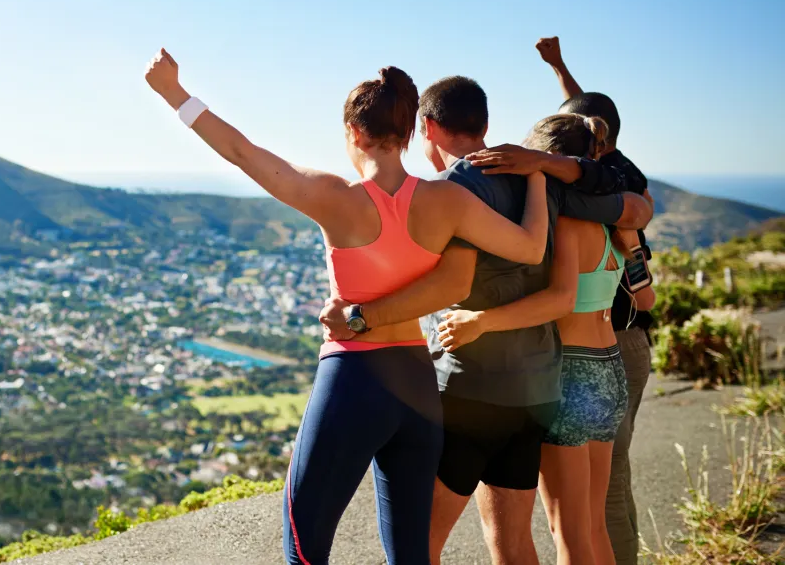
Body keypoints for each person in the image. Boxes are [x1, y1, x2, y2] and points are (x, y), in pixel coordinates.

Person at [143, 49, 550, 565]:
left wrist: (174, 93)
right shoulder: (449, 202)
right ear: (407, 135)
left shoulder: (335, 198)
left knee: (304, 546)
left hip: (354, 380)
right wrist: (537, 173)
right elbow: (532, 248)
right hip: (419, 386)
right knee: (412, 557)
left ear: (354, 134)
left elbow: (242, 153)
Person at [319, 76, 653, 565]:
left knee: (418, 544)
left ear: (426, 127)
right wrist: (543, 167)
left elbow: (452, 284)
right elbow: (631, 206)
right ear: (487, 125)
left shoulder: (450, 192)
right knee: (527, 541)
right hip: (539, 388)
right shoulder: (541, 183)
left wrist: (362, 316)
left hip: (473, 390)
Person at [464, 36, 656, 565]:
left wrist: (481, 321)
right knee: (590, 523)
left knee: (565, 528)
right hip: (609, 365)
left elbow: (558, 296)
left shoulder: (566, 223)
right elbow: (645, 292)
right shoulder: (618, 219)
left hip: (569, 372)